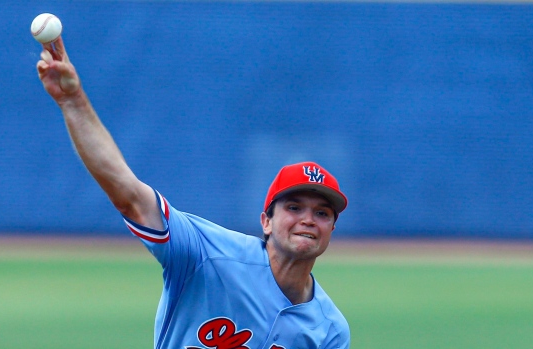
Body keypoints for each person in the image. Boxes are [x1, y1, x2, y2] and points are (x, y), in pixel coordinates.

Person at [36, 36, 350, 349]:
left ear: (331, 230)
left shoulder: (329, 330)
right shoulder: (207, 254)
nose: (308, 219)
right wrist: (73, 101)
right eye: (294, 208)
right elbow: (128, 194)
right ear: (266, 222)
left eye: (322, 213)